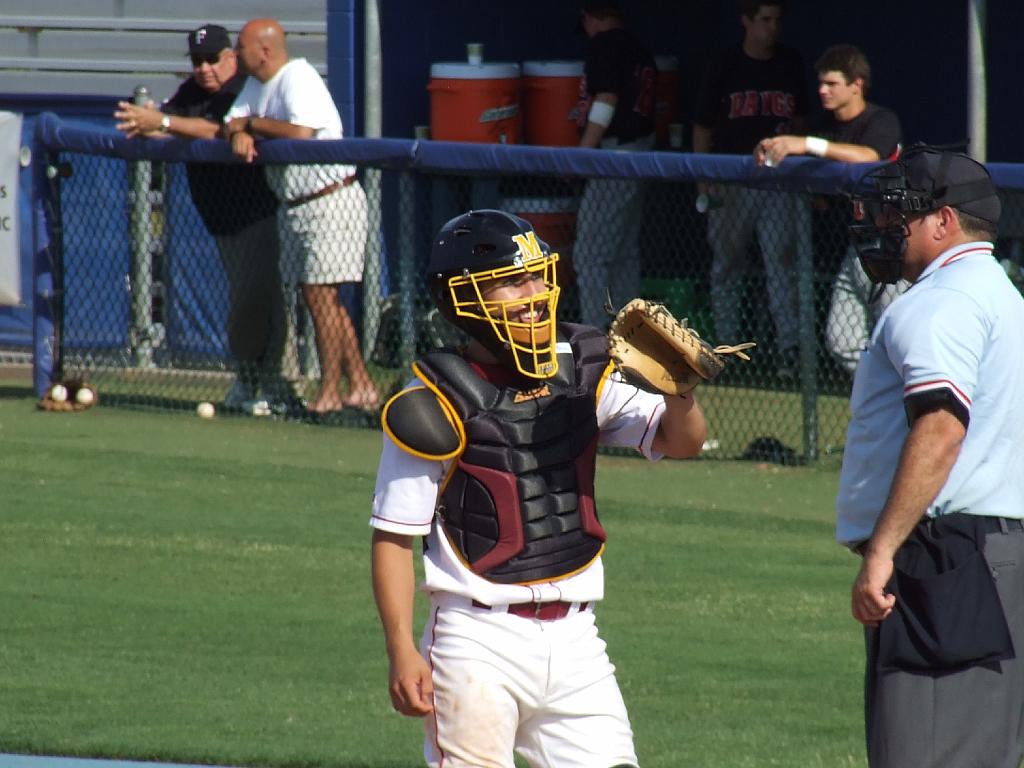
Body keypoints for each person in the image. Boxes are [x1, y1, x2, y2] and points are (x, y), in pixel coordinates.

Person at [370, 209, 707, 767]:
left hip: (577, 640)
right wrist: (401, 649)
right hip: (476, 639)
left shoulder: (578, 369)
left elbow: (683, 442)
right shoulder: (432, 403)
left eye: (537, 275)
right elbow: (392, 539)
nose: (533, 293)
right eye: (511, 281)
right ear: (463, 299)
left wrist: (681, 392)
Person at [836, 146, 1024, 768]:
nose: (885, 227)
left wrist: (884, 548)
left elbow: (942, 427)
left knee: (925, 752)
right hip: (995, 551)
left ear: (943, 221)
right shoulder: (1002, 296)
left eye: (900, 214)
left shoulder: (941, 301)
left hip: (949, 556)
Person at [113, 24, 294, 415]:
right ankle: (259, 385)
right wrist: (145, 122)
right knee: (255, 299)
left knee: (261, 299)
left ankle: (265, 386)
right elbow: (171, 124)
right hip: (223, 218)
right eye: (197, 61)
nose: (205, 68)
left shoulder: (243, 86)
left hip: (263, 210)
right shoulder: (192, 92)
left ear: (230, 57)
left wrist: (161, 123)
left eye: (212, 59)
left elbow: (218, 129)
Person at [223, 18, 378, 414]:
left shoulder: (298, 77)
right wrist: (238, 133)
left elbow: (301, 133)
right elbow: (231, 121)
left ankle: (329, 393)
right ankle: (360, 386)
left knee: (320, 296)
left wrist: (251, 125)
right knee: (320, 298)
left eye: (241, 46)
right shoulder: (255, 85)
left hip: (330, 197)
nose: (235, 54)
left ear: (265, 50)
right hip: (294, 205)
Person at [754, 43, 905, 375]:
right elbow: (808, 163)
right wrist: (775, 147)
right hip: (857, 247)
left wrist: (807, 144)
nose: (822, 90)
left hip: (894, 245)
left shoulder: (881, 119)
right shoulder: (825, 128)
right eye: (820, 83)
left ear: (857, 84)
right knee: (842, 341)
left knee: (898, 339)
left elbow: (869, 157)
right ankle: (882, 396)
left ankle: (899, 404)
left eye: (832, 83)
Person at [692, 0, 808, 377]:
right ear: (746, 21)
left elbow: (802, 119)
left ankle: (788, 351)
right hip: (732, 179)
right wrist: (704, 174)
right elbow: (703, 125)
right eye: (765, 20)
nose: (772, 28)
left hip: (777, 181)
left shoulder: (790, 63)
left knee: (782, 265)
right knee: (726, 265)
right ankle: (725, 351)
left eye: (777, 21)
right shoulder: (725, 64)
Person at [573, 0, 656, 329]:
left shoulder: (605, 43)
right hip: (640, 152)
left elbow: (606, 101)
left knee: (590, 255)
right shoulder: (638, 46)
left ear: (590, 16)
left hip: (615, 156)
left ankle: (595, 337)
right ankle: (630, 334)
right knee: (623, 253)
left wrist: (582, 156)